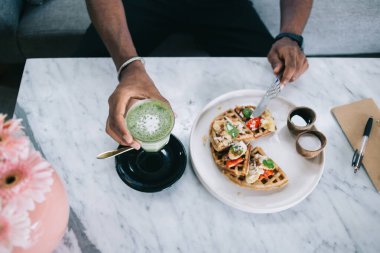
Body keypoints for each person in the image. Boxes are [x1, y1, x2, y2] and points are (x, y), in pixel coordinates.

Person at [85, 0, 312, 150]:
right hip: (141, 3)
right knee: (81, 68)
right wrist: (129, 66)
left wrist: (290, 35)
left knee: (269, 72)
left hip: (224, 6)